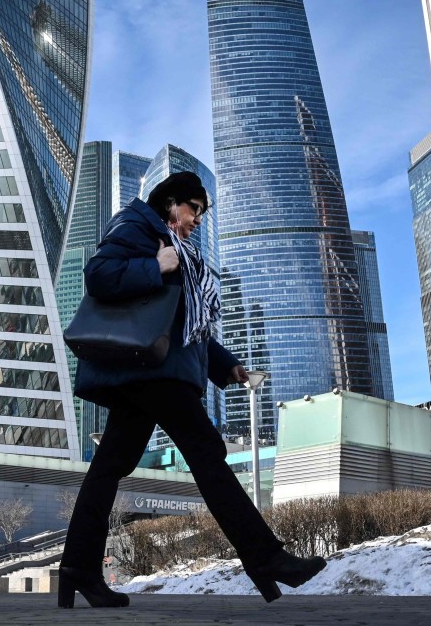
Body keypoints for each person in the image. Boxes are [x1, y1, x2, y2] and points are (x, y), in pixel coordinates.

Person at [58, 171, 326, 608]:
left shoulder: (176, 246)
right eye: (194, 209)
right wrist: (154, 266)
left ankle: (78, 569)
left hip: (150, 373)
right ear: (170, 204)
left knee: (110, 466)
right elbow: (99, 275)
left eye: (201, 213)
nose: (198, 219)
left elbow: (183, 324)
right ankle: (267, 558)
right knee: (207, 453)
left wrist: (227, 366)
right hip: (154, 374)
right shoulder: (139, 227)